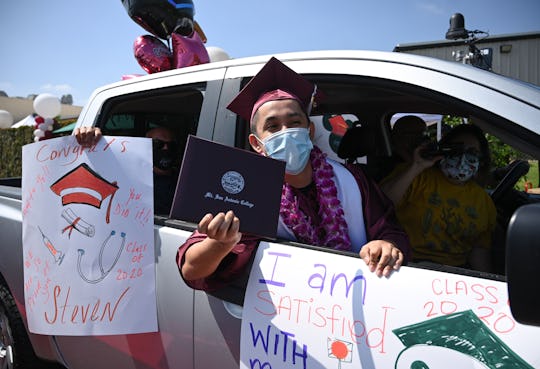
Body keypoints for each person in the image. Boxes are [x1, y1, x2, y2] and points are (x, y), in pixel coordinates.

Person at [177, 57, 411, 292]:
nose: (286, 132)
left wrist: (387, 244)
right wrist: (220, 243)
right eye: (273, 127)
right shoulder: (249, 193)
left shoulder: (351, 179)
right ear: (257, 144)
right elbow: (191, 270)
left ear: (309, 131)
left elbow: (389, 228)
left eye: (294, 122)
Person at [380, 124, 496, 272]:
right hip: (406, 266)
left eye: (472, 153)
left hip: (454, 275)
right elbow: (380, 203)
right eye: (457, 149)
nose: (462, 158)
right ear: (445, 149)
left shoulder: (484, 201)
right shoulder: (416, 176)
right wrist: (416, 166)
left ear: (481, 159)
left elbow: (479, 251)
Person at [74, 125, 180, 214]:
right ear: (144, 146)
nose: (165, 149)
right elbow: (94, 174)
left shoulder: (184, 180)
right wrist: (90, 136)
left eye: (171, 145)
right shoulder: (129, 177)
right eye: (157, 144)